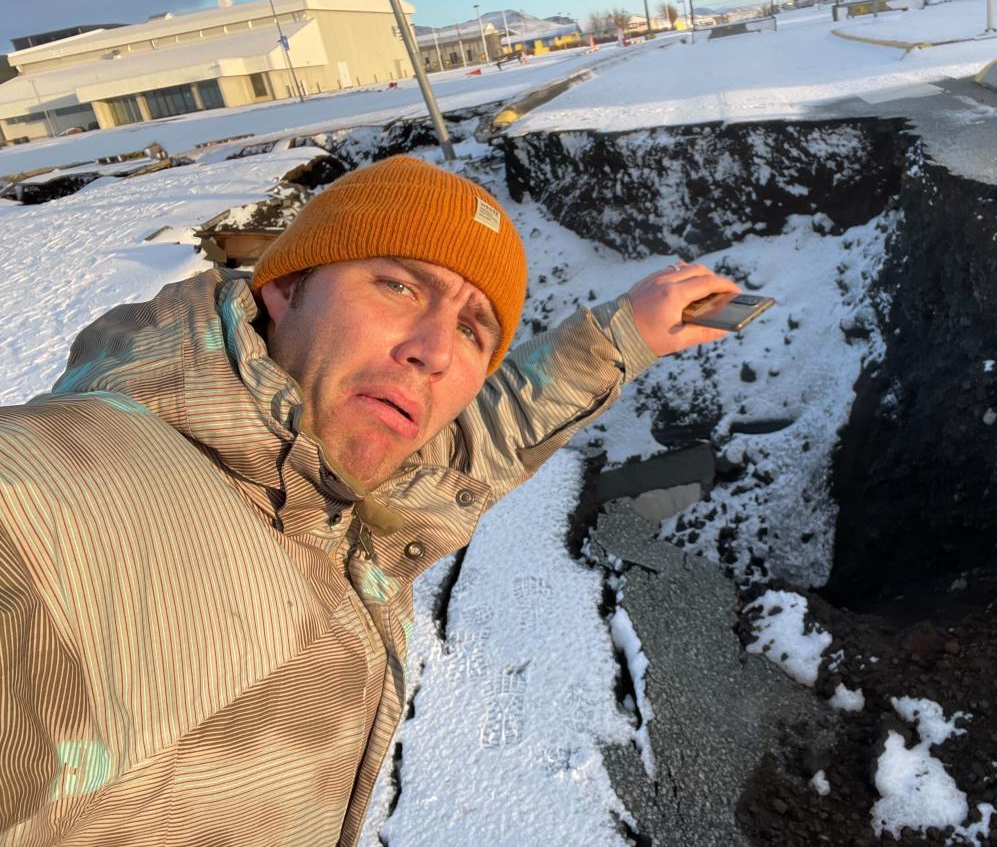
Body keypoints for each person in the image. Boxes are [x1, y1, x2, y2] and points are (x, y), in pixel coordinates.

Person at [0, 156, 739, 845]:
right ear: (285, 288)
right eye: (399, 286)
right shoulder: (51, 499)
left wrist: (625, 335)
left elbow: (477, 439)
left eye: (472, 328)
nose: (436, 351)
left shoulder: (337, 493)